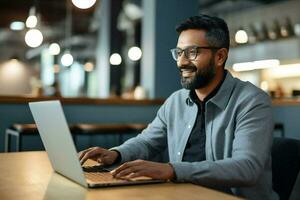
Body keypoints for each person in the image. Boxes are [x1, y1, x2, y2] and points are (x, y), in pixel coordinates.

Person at [79, 15, 278, 199]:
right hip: (183, 193)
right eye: (179, 52)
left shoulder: (252, 101)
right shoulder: (176, 101)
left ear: (219, 57)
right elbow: (148, 142)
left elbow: (246, 168)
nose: (182, 62)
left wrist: (171, 170)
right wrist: (116, 154)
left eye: (192, 52)